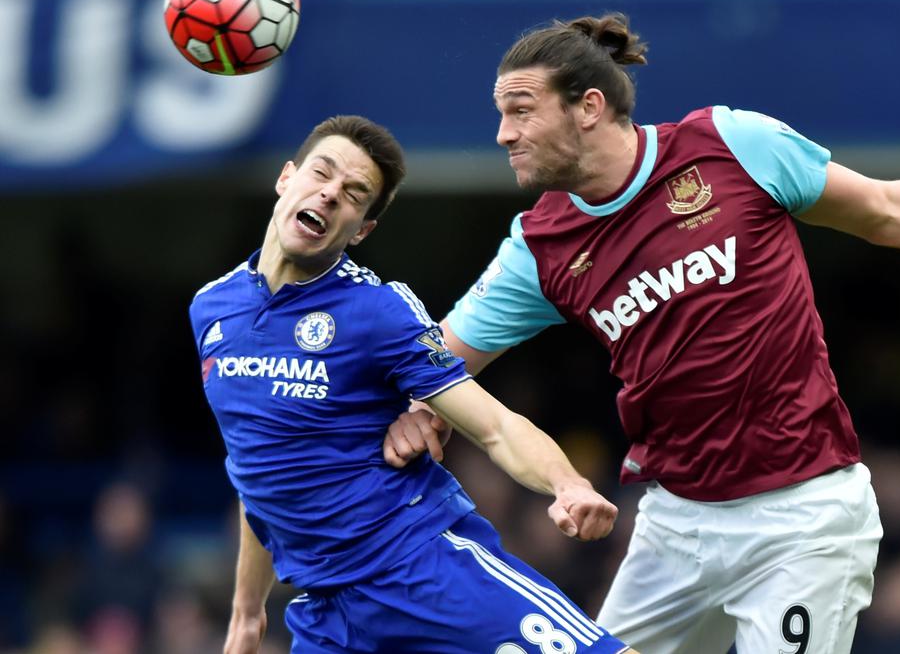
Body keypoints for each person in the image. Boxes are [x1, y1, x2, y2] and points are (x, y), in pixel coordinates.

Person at [382, 13, 900, 654]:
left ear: (588, 106)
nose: (501, 135)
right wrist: (416, 407)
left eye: (520, 110)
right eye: (499, 114)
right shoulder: (540, 244)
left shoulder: (729, 145)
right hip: (676, 526)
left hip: (803, 521)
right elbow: (443, 361)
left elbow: (888, 211)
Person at [188, 114, 635, 654]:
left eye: (354, 194)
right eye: (321, 174)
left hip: (423, 572)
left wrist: (567, 485)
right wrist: (247, 613)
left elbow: (493, 425)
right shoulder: (212, 307)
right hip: (328, 614)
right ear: (288, 177)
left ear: (362, 229)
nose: (330, 195)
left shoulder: (376, 311)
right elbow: (255, 472)